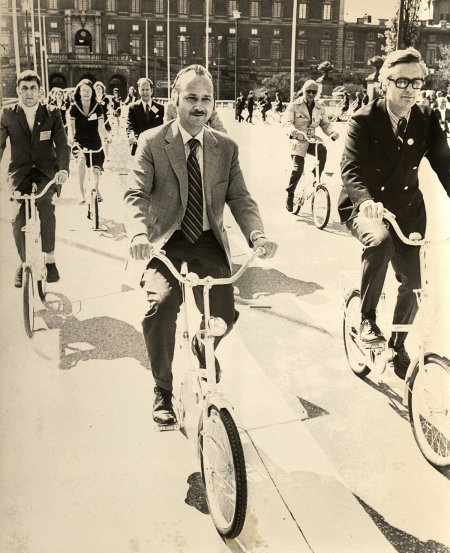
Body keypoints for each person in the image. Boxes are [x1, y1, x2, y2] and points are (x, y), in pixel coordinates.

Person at [124, 64, 277, 426]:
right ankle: (162, 387)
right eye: (191, 97)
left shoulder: (225, 147)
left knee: (224, 313)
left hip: (208, 242)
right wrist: (138, 235)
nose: (199, 106)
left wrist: (257, 235)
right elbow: (136, 194)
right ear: (174, 99)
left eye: (206, 99)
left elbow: (240, 199)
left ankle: (201, 347)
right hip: (164, 243)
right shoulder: (152, 141)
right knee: (160, 308)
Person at [338, 47, 450, 380]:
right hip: (366, 206)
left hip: (408, 211)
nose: (411, 89)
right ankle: (367, 319)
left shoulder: (426, 118)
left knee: (415, 282)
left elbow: (445, 164)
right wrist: (364, 201)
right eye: (402, 81)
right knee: (381, 241)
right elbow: (351, 167)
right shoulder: (363, 119)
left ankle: (397, 346)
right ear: (385, 82)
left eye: (418, 82)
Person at [0, 70, 70, 287]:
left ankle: (50, 259)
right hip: (19, 172)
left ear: (40, 91)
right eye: (24, 88)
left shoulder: (52, 113)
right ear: (18, 91)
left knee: (45, 204)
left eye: (33, 88)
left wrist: (63, 170)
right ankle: (23, 263)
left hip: (45, 172)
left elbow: (62, 145)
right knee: (17, 215)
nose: (29, 93)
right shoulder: (8, 114)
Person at [282, 79, 339, 212]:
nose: (311, 94)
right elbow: (286, 122)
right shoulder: (294, 105)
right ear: (303, 90)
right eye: (308, 91)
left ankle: (315, 177)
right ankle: (290, 194)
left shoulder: (320, 107)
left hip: (312, 139)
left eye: (314, 92)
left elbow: (325, 124)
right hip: (298, 140)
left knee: (323, 151)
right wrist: (293, 132)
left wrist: (332, 133)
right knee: (298, 169)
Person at [67, 79, 111, 206]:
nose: (86, 93)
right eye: (83, 90)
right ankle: (81, 193)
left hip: (95, 142)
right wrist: (70, 136)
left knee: (96, 170)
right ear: (79, 92)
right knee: (81, 160)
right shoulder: (74, 107)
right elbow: (71, 126)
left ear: (92, 92)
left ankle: (95, 189)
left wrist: (108, 137)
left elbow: (101, 127)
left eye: (88, 90)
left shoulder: (97, 107)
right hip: (79, 142)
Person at [126, 77, 164, 156]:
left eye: (147, 89)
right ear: (139, 91)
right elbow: (130, 126)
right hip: (139, 148)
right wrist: (131, 135)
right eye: (142, 90)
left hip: (156, 149)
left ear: (152, 91)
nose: (145, 92)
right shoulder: (133, 108)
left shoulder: (160, 108)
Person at [94, 81, 113, 161]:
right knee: (96, 138)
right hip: (95, 120)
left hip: (104, 120)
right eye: (97, 89)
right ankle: (97, 156)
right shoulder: (93, 98)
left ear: (102, 90)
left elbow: (109, 109)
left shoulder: (106, 98)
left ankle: (107, 155)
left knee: (106, 138)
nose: (98, 90)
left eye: (100, 89)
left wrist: (111, 115)